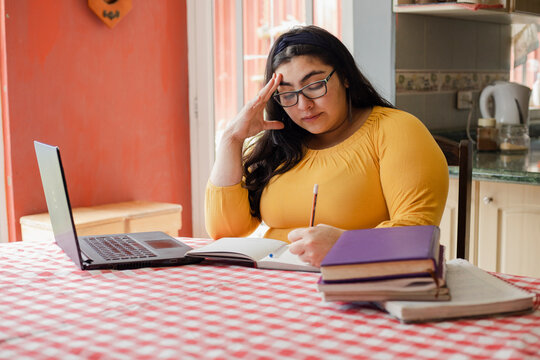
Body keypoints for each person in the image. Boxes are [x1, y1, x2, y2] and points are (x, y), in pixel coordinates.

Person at [205, 25, 449, 267]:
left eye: (314, 86)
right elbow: (225, 232)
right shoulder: (281, 143)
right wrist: (231, 140)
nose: (303, 105)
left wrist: (346, 245)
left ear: (344, 76)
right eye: (288, 94)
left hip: (356, 285)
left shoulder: (396, 130)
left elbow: (419, 235)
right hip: (276, 285)